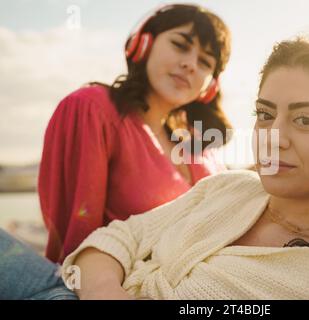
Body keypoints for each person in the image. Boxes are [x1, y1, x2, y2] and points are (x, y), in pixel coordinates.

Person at [2, 38, 309, 300]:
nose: (275, 135)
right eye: (265, 113)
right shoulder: (232, 189)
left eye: (306, 119)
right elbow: (116, 236)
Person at [38, 4, 232, 263]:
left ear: (211, 86)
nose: (190, 65)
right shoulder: (92, 108)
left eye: (205, 62)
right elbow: (76, 238)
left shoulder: (199, 146)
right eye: (180, 45)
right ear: (143, 44)